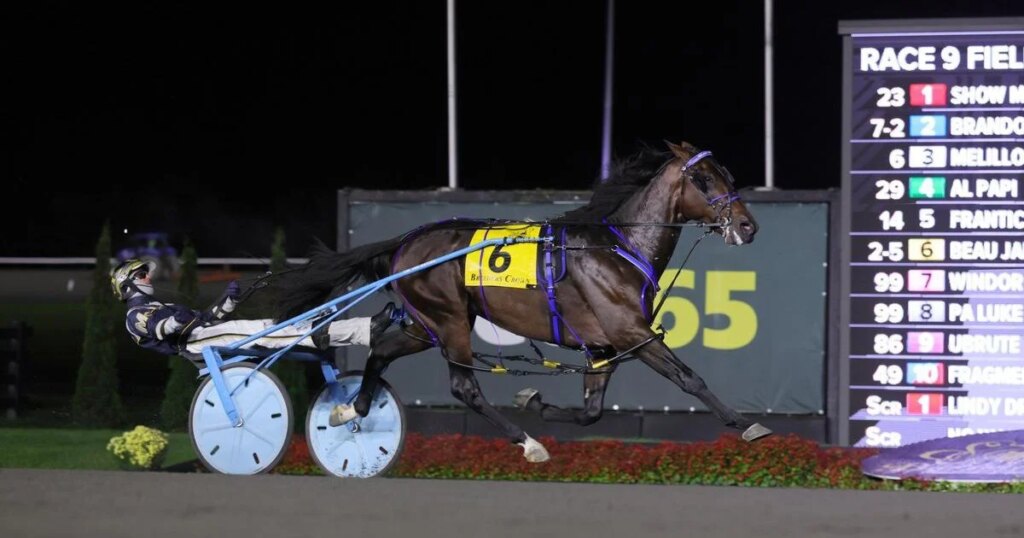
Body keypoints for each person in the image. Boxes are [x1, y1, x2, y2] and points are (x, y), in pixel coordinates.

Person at [110, 258, 395, 357]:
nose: (148, 277)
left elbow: (206, 319)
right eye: (141, 274)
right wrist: (178, 320)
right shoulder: (134, 316)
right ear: (128, 285)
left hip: (205, 336)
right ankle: (362, 331)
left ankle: (362, 330)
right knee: (271, 330)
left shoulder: (161, 304)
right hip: (194, 345)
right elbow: (165, 329)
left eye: (145, 272)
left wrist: (229, 300)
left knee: (274, 326)